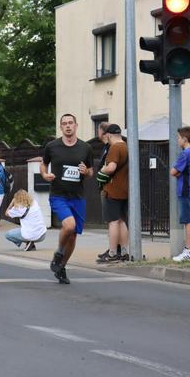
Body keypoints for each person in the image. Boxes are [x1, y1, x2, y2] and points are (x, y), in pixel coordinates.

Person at [40, 113, 94, 284]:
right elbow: (43, 163)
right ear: (61, 127)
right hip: (58, 195)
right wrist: (44, 174)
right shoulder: (52, 146)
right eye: (64, 124)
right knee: (68, 226)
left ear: (76, 125)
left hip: (77, 197)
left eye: (71, 123)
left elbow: (91, 171)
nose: (68, 126)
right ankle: (59, 251)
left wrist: (86, 172)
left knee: (73, 236)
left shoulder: (85, 148)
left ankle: (61, 266)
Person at [96, 124, 129, 263]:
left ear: (108, 135)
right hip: (124, 190)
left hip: (113, 190)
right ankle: (126, 252)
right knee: (121, 221)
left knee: (113, 222)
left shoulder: (115, 147)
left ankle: (113, 253)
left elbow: (111, 168)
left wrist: (102, 169)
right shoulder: (126, 146)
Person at [170, 127, 190, 262]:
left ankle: (189, 251)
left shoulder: (185, 154)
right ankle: (189, 250)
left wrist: (177, 172)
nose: (177, 140)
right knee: (189, 219)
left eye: (178, 138)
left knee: (188, 221)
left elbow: (173, 172)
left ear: (185, 139)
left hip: (185, 190)